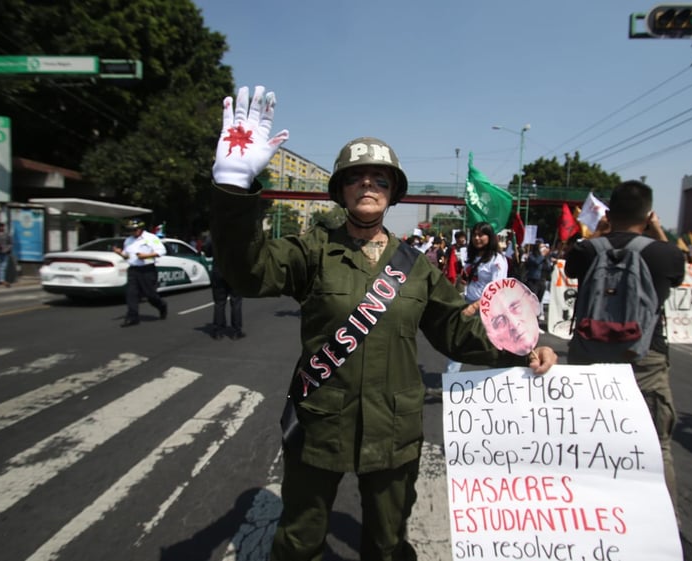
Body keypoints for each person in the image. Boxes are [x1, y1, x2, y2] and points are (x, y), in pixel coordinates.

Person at [209, 85, 557, 561]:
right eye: (356, 178)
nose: (368, 185)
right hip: (319, 424)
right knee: (298, 541)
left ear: (393, 192)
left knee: (387, 545)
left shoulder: (417, 266)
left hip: (394, 431)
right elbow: (246, 272)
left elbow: (457, 331)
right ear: (341, 189)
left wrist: (523, 349)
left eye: (380, 179)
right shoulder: (311, 251)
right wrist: (232, 188)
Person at [564, 180, 686, 512]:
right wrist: (657, 229)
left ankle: (591, 513)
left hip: (589, 358)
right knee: (657, 445)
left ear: (609, 213)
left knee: (589, 439)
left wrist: (600, 233)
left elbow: (571, 262)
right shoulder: (664, 254)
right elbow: (679, 271)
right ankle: (665, 527)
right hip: (645, 358)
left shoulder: (588, 250)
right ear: (647, 215)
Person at [446, 221, 510, 374]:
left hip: (489, 310)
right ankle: (450, 381)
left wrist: (475, 306)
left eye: (481, 234)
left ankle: (499, 383)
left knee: (493, 347)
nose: (477, 238)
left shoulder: (497, 260)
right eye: (474, 234)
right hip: (469, 304)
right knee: (458, 342)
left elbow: (496, 290)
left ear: (490, 237)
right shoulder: (472, 256)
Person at [112, 219, 168, 327]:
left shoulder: (151, 238)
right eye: (131, 230)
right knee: (131, 294)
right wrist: (120, 253)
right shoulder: (128, 240)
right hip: (133, 270)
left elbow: (162, 251)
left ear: (141, 229)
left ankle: (161, 305)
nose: (133, 232)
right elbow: (127, 256)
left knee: (150, 295)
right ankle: (132, 317)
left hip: (147, 270)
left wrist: (146, 256)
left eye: (135, 229)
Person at [204, 234, 245, 340]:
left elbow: (207, 253)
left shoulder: (214, 233)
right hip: (235, 271)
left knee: (219, 302)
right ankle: (236, 331)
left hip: (219, 270)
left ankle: (218, 331)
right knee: (236, 301)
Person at [0, 222, 13, 287]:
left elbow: (10, 243)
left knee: (3, 267)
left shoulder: (6, 234)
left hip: (5, 252)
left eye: (2, 227)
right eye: (0, 227)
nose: (1, 228)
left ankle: (2, 279)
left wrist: (8, 249)